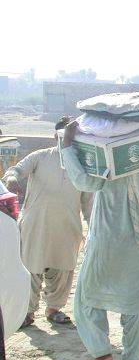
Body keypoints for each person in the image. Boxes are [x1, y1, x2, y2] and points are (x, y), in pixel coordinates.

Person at [60, 122, 139, 360]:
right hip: (137, 247)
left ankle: (100, 351)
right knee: (136, 301)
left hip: (105, 243)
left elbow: (81, 180)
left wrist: (67, 144)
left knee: (86, 297)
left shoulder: (105, 169)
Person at [1, 117, 93, 327]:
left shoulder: (83, 166)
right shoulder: (40, 157)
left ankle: (54, 309)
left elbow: (88, 202)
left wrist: (92, 227)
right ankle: (27, 312)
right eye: (65, 135)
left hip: (67, 228)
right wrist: (12, 179)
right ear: (55, 136)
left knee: (62, 271)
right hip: (36, 226)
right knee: (30, 270)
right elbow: (14, 171)